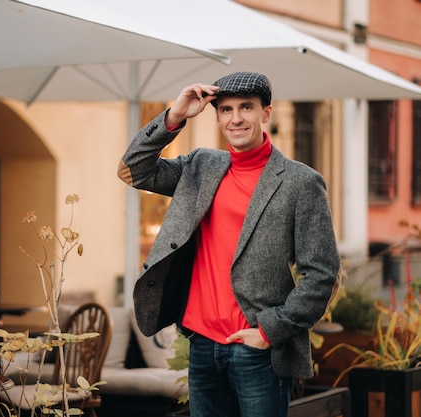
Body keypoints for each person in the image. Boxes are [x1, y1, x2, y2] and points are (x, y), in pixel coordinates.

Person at [117, 71, 340, 417]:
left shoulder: (301, 182)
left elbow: (322, 273)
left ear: (266, 113)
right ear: (217, 116)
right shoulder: (201, 166)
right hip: (202, 344)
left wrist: (270, 330)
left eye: (246, 108)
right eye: (226, 110)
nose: (236, 118)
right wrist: (174, 116)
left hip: (256, 348)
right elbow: (133, 170)